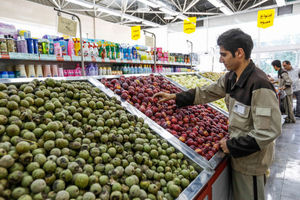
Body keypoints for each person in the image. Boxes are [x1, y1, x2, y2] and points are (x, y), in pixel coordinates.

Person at [154, 28, 281, 200]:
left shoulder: (259, 84)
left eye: (224, 54)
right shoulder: (231, 77)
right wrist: (176, 96)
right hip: (237, 154)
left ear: (239, 53)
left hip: (251, 163)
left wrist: (233, 146)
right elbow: (207, 92)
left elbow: (269, 131)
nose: (220, 59)